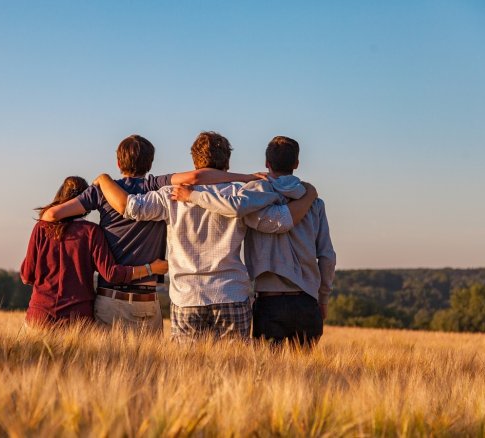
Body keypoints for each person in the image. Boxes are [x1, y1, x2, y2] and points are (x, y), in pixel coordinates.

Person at [93, 132, 318, 342]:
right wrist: (309, 196)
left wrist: (104, 179)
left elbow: (130, 207)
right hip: (231, 294)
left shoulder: (169, 195)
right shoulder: (240, 195)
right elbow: (279, 222)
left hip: (187, 297)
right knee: (234, 373)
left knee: (187, 373)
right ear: (227, 163)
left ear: (194, 161)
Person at [40, 134, 263, 332]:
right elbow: (196, 178)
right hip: (148, 299)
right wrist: (247, 177)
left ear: (119, 163)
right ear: (150, 163)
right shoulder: (156, 186)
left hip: (110, 298)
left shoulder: (101, 191)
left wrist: (90, 223)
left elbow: (51, 216)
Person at [171, 136, 336, 346]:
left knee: (266, 375)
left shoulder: (253, 196)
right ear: (296, 164)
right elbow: (327, 257)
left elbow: (233, 207)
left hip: (269, 302)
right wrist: (323, 298)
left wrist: (193, 196)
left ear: (267, 164)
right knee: (305, 376)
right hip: (307, 301)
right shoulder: (314, 203)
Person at [20, 176, 168, 326]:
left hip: (39, 316)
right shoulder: (91, 232)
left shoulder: (41, 228)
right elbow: (111, 274)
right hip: (77, 319)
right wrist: (151, 268)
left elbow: (27, 276)